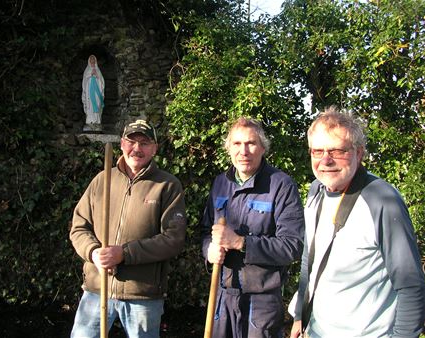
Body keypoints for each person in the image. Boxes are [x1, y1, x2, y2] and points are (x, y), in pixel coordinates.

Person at [289, 107, 425, 338]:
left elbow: (411, 285)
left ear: (359, 153)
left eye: (337, 151)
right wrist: (301, 315)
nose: (325, 160)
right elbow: (310, 259)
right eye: (317, 151)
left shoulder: (382, 200)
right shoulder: (316, 190)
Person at [70, 119, 187, 338]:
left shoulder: (168, 185)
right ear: (122, 144)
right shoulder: (102, 180)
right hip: (97, 289)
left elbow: (173, 238)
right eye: (132, 141)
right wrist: (94, 253)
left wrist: (123, 254)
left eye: (144, 143)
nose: (137, 148)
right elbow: (79, 227)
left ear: (155, 148)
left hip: (142, 296)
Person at [201, 117, 305, 338]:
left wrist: (240, 243)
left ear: (262, 148)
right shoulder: (220, 183)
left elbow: (292, 246)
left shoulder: (281, 185)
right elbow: (205, 231)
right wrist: (208, 250)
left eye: (251, 143)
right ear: (229, 149)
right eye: (237, 144)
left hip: (262, 302)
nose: (244, 151)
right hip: (222, 296)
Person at [82, 54, 105, 132]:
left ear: (95, 61)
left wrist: (97, 75)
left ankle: (97, 122)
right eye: (91, 59)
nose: (92, 60)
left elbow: (102, 82)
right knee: (90, 105)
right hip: (89, 91)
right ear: (89, 61)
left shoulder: (98, 70)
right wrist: (90, 74)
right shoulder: (87, 70)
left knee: (98, 103)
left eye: (93, 59)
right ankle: (90, 122)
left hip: (97, 91)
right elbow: (84, 81)